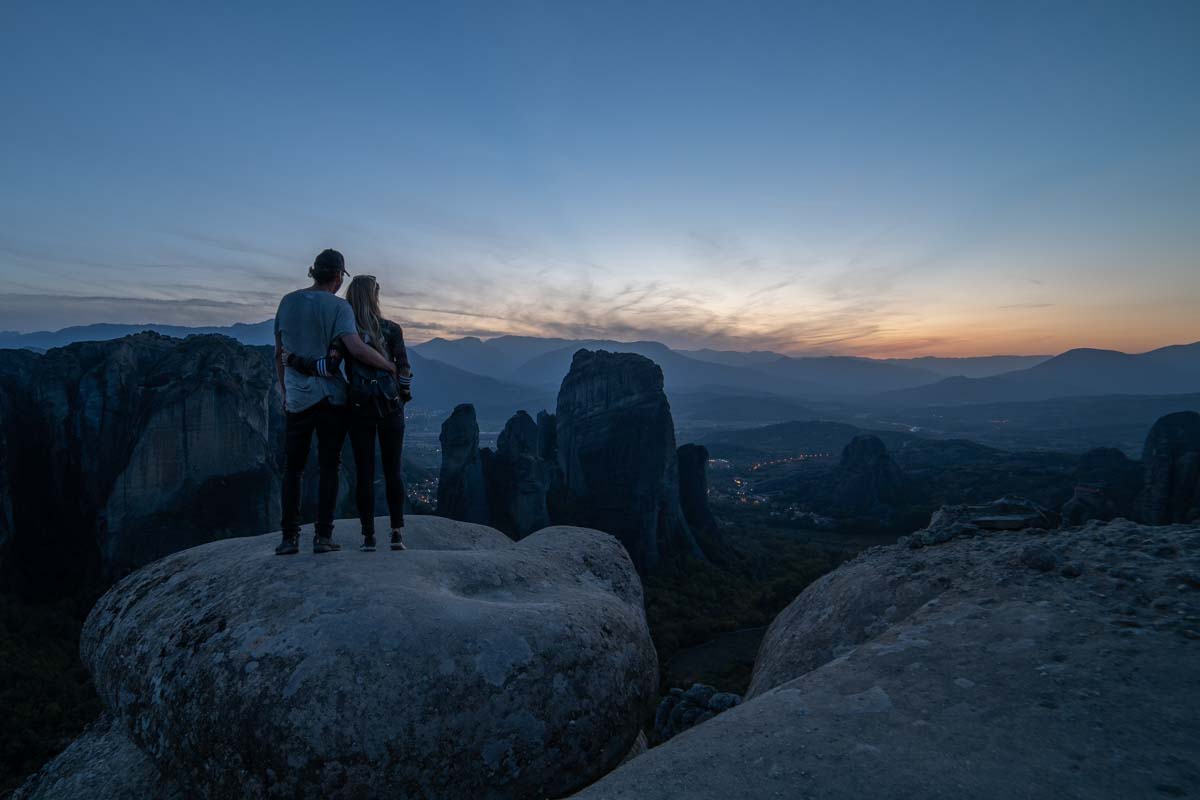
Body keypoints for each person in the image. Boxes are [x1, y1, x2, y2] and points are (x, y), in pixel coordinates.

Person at [273, 249, 397, 556]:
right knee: (330, 466)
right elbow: (354, 348)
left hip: (297, 397)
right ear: (339, 276)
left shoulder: (287, 301)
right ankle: (323, 537)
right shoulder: (340, 307)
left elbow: (279, 352)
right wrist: (388, 365)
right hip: (331, 398)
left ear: (313, 272)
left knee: (293, 468)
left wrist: (285, 389)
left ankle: (289, 538)